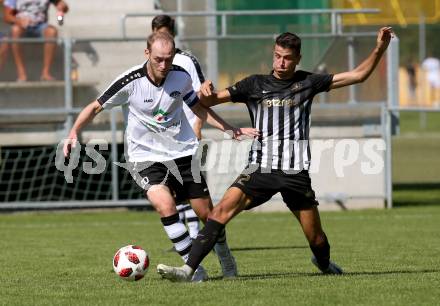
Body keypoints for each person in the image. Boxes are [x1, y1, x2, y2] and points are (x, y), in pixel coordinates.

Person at [157, 27, 394, 282]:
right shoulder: (254, 84)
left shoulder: (308, 83)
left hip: (295, 173)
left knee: (316, 238)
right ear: (273, 54)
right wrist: (205, 92)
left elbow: (359, 75)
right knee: (219, 213)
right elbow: (210, 102)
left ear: (298, 59)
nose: (281, 62)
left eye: (288, 58)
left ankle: (324, 263)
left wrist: (380, 48)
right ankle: (188, 270)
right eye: (278, 56)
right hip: (259, 168)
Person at [63, 32, 258, 282]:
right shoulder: (130, 81)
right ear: (147, 54)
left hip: (182, 153)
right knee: (165, 205)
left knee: (208, 216)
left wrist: (229, 128)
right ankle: (194, 269)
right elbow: (95, 106)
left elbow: (197, 107)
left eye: (168, 59)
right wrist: (73, 132)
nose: (164, 65)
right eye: (158, 59)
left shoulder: (181, 76)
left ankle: (225, 258)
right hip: (144, 157)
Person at [152, 14, 204, 243]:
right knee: (170, 189)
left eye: (165, 33)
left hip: (187, 132)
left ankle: (194, 232)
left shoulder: (186, 61)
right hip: (164, 135)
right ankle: (187, 233)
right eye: (157, 33)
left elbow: (200, 95)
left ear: (173, 34)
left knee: (189, 186)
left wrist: (198, 126)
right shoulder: (156, 60)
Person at [3, 0, 68, 81]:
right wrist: (19, 21)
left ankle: (46, 73)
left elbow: (61, 15)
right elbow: (6, 16)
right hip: (21, 26)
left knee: (52, 32)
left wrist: (62, 10)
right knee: (15, 30)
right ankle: (21, 74)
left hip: (41, 25)